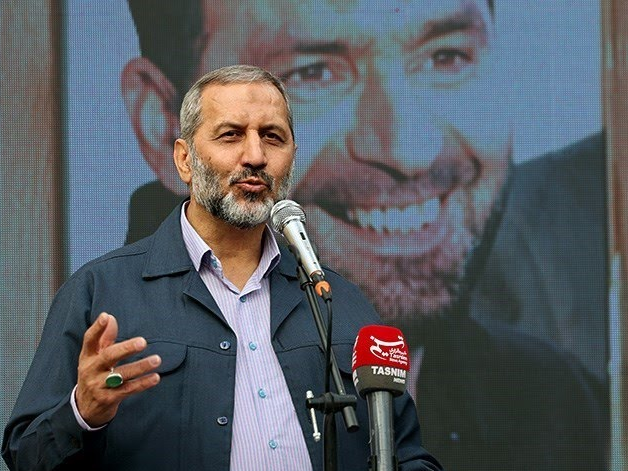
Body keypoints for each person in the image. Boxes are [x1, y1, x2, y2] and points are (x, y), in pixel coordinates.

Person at [116, 1, 609, 470]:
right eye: (313, 73)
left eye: (445, 57)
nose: (407, 150)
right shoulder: (110, 365)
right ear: (162, 125)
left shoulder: (559, 408)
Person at [1, 66, 442, 470]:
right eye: (231, 135)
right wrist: (82, 414)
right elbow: (25, 457)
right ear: (184, 160)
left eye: (272, 137)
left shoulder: (337, 300)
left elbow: (407, 457)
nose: (255, 156)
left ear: (292, 155)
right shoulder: (101, 292)